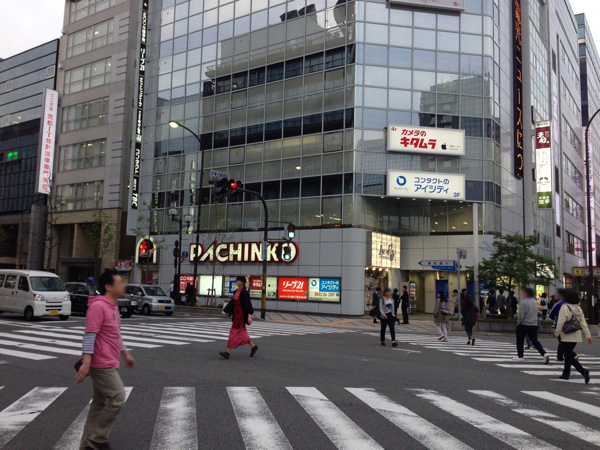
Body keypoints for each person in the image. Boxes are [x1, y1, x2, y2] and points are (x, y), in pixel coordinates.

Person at [76, 269, 136, 450]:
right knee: (118, 397)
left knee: (98, 406)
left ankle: (86, 446)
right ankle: (97, 437)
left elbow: (114, 333)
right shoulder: (98, 307)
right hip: (101, 363)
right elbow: (89, 335)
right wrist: (86, 363)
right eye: (120, 282)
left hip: (110, 360)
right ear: (109, 287)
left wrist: (125, 353)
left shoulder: (112, 305)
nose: (124, 285)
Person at [554, 288, 592, 383]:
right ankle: (566, 373)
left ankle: (583, 371)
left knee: (568, 355)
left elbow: (560, 322)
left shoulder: (564, 307)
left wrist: (557, 333)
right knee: (568, 354)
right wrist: (588, 335)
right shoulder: (578, 308)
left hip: (566, 335)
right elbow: (583, 323)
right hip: (576, 335)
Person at [220, 276, 258, 359]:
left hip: (241, 315)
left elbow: (247, 305)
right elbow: (233, 303)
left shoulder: (244, 292)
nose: (237, 282)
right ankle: (253, 346)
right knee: (242, 332)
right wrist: (229, 312)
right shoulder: (236, 291)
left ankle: (228, 352)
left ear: (242, 282)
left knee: (233, 332)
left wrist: (249, 316)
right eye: (237, 280)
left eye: (238, 281)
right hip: (236, 314)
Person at [514, 287, 550, 363]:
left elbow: (521, 315)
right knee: (535, 341)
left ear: (526, 293)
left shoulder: (523, 302)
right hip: (533, 324)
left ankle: (520, 356)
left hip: (524, 324)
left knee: (520, 340)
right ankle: (544, 354)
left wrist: (518, 322)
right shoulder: (534, 302)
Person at [549, 289, 577, 362]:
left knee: (562, 342)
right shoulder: (573, 303)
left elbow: (551, 315)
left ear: (561, 295)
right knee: (565, 342)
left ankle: (570, 355)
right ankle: (562, 356)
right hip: (572, 326)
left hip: (561, 326)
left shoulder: (558, 304)